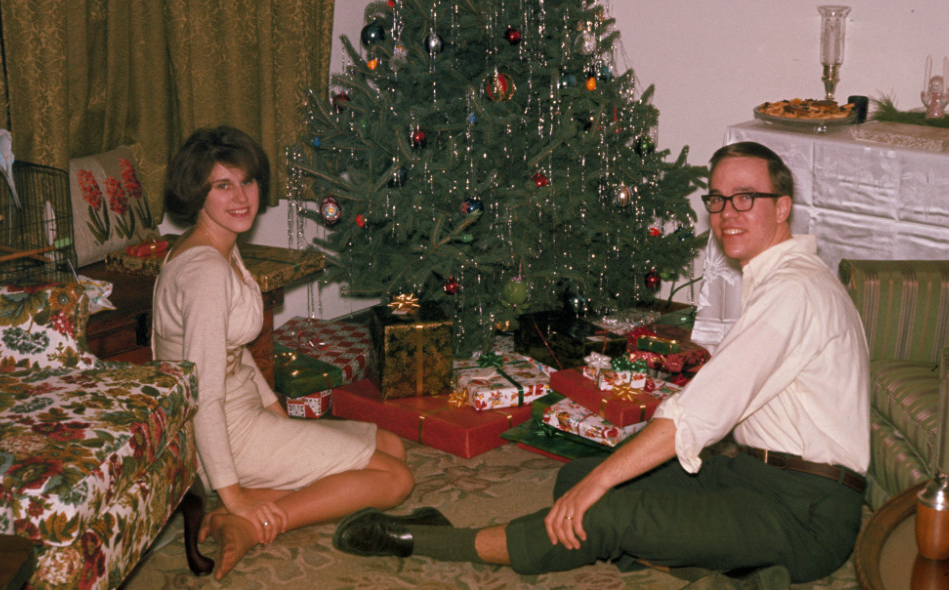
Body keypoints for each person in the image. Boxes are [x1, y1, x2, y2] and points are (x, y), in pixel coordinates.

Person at [332, 141, 870, 587]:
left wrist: (598, 491)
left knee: (597, 506)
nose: (727, 214)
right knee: (579, 474)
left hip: (806, 515)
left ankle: (429, 538)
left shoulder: (793, 291)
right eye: (718, 200)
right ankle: (727, 566)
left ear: (782, 208)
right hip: (753, 476)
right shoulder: (783, 275)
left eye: (746, 198)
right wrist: (597, 480)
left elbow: (697, 413)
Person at [153, 126, 421, 580]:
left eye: (248, 181)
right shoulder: (206, 275)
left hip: (243, 415)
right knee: (396, 480)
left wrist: (277, 410)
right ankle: (245, 520)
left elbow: (232, 353)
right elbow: (204, 397)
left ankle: (260, 496)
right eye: (223, 185)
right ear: (197, 193)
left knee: (390, 445)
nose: (241, 197)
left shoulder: (216, 246)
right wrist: (233, 492)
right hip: (223, 431)